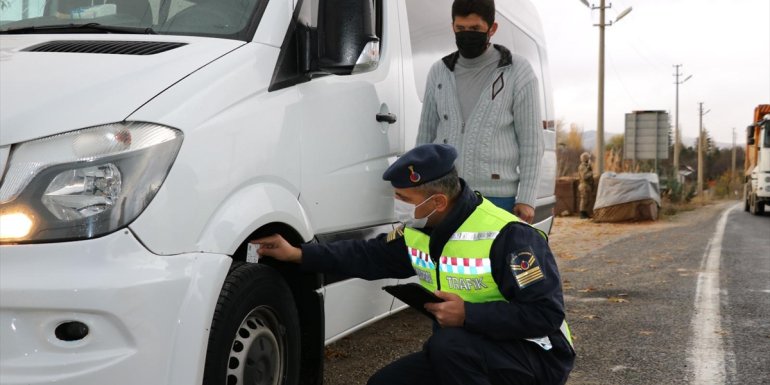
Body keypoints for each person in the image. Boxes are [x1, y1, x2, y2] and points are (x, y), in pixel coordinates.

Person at [255, 144, 574, 385]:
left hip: (535, 355)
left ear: (437, 202)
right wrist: (298, 253)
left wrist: (468, 315)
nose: (398, 207)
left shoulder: (510, 237)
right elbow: (367, 256)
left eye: (404, 200)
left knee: (448, 346)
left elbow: (546, 314)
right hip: (473, 347)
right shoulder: (421, 230)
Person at [415, 0, 544, 224]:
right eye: (461, 29)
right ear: (453, 26)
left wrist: (527, 199)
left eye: (474, 29)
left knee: (492, 260)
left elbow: (532, 142)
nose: (467, 35)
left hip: (497, 199)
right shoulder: (438, 72)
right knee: (448, 259)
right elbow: (424, 139)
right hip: (446, 196)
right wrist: (419, 189)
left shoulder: (518, 71)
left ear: (492, 29)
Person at [577, 152, 594, 219]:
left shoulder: (587, 166)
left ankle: (585, 213)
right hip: (584, 185)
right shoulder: (582, 167)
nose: (589, 159)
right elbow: (584, 176)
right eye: (588, 158)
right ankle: (582, 213)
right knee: (584, 200)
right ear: (586, 159)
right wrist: (591, 172)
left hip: (587, 185)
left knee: (588, 200)